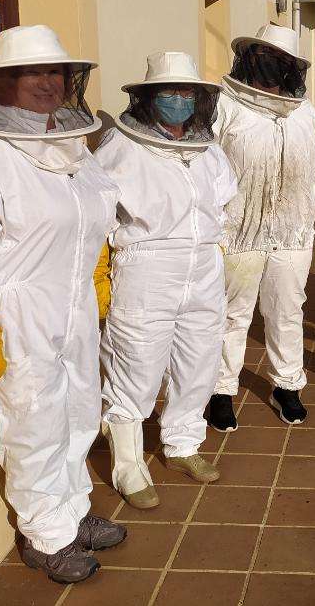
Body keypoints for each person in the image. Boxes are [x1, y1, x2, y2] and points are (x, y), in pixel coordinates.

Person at [0, 25, 126, 583]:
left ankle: (72, 510)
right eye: (30, 73)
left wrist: (95, 277)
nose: (46, 83)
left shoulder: (73, 145)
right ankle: (45, 535)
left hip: (73, 310)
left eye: (55, 73)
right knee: (32, 422)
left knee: (79, 410)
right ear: (2, 83)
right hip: (19, 314)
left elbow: (96, 217)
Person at [95, 51, 237, 507]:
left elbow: (223, 201)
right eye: (169, 92)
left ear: (200, 99)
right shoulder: (121, 147)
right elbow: (99, 211)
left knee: (199, 359)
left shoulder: (208, 150)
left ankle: (183, 444)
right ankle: (128, 465)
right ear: (148, 97)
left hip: (204, 266)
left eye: (187, 92)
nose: (179, 99)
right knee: (136, 363)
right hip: (148, 265)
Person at [207, 24, 315, 431]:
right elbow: (207, 169)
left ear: (292, 68)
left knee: (287, 311)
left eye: (281, 61)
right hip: (238, 232)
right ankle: (221, 390)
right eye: (265, 57)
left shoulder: (306, 114)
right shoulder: (225, 106)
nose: (272, 66)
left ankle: (287, 386)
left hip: (293, 232)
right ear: (249, 57)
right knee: (232, 315)